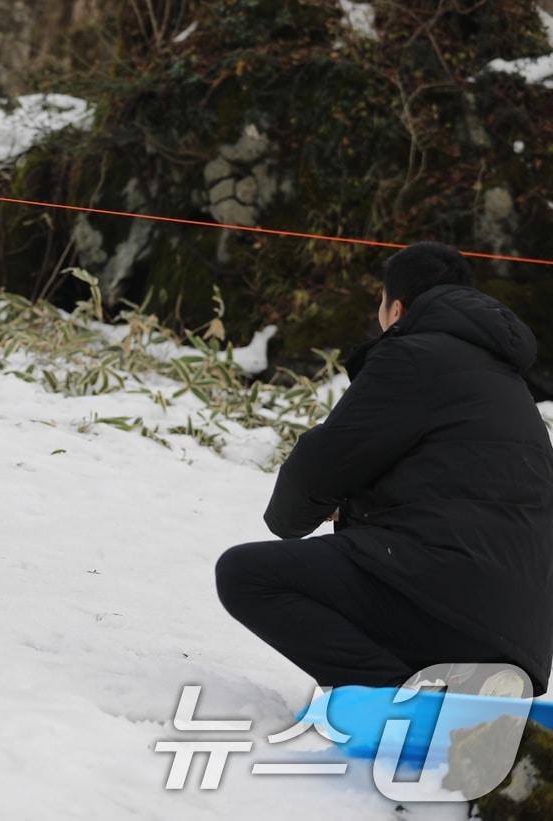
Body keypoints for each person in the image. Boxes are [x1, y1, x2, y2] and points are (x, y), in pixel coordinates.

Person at [215, 241, 553, 695]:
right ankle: (461, 686)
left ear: (396, 307)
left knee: (247, 575)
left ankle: (401, 698)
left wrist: (294, 517)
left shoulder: (414, 355)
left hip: (442, 598)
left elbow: (319, 466)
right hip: (521, 635)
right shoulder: (507, 384)